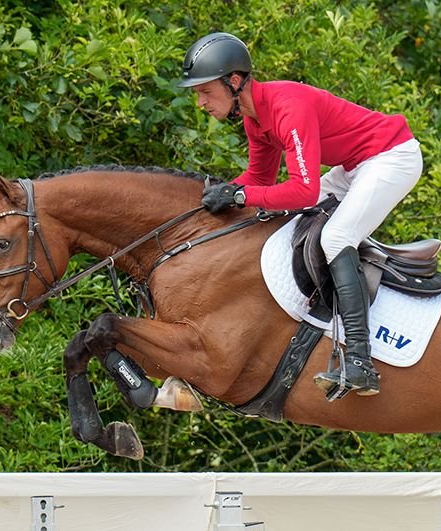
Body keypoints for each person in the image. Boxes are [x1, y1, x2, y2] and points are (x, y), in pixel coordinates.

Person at [178, 32, 423, 397]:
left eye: (205, 91)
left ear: (234, 81)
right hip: (355, 166)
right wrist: (224, 193)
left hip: (392, 157)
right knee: (289, 224)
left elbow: (302, 191)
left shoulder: (286, 107)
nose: (200, 102)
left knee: (335, 236)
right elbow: (259, 179)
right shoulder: (254, 119)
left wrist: (242, 194)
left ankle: (360, 359)